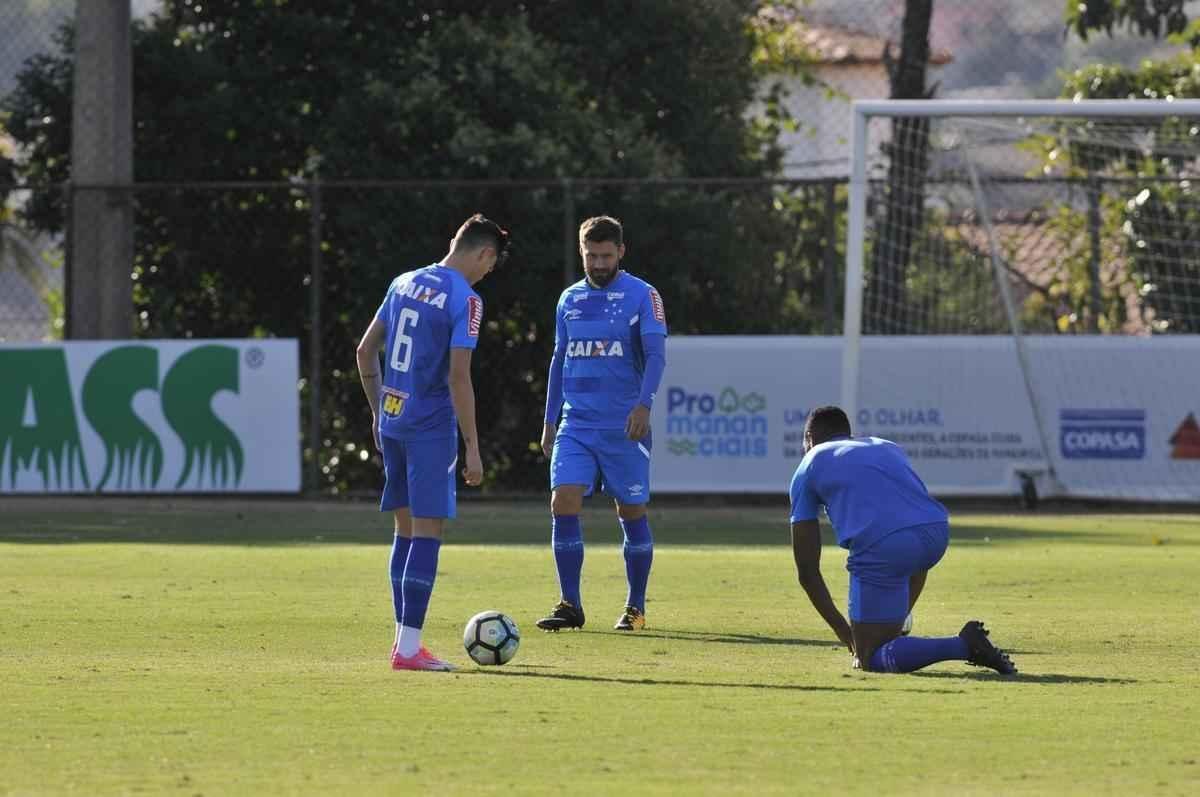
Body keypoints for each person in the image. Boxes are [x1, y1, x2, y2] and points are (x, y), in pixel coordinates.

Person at [356, 213, 510, 671]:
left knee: (404, 530)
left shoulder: (402, 282)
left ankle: (404, 641)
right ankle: (408, 649)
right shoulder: (468, 300)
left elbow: (365, 352)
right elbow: (458, 376)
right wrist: (474, 446)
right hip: (430, 426)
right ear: (484, 254)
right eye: (491, 265)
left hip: (394, 420)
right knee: (428, 532)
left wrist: (377, 410)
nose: (487, 273)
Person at [789, 405, 1017, 675]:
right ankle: (890, 628)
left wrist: (846, 634)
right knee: (886, 629)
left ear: (809, 439)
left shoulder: (811, 460)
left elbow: (807, 571)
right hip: (934, 534)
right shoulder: (885, 445)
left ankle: (964, 645)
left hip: (889, 545)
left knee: (870, 658)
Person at [536, 215, 667, 632]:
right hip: (576, 423)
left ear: (621, 252)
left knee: (630, 510)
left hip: (624, 423)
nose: (598, 263)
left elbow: (657, 356)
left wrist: (644, 405)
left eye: (606, 255)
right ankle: (570, 604)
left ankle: (636, 607)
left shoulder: (644, 295)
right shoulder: (568, 299)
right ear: (582, 252)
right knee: (563, 500)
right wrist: (549, 418)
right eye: (591, 255)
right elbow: (560, 359)